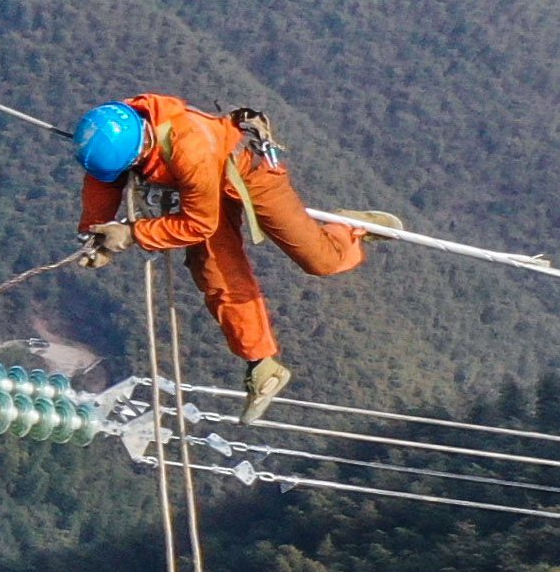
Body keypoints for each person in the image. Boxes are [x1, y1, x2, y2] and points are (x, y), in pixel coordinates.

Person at [74, 93, 365, 418]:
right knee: (214, 270)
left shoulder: (188, 146)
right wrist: (94, 234)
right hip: (197, 187)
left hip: (246, 172)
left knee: (321, 261)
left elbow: (199, 223)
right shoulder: (116, 131)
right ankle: (262, 364)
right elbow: (104, 180)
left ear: (141, 149)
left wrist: (132, 234)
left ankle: (350, 229)